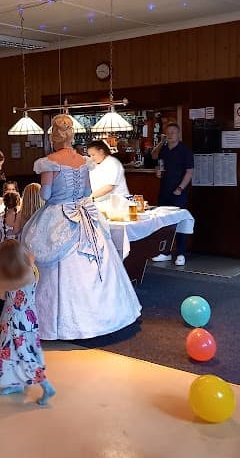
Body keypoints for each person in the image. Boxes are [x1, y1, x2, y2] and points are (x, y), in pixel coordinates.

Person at [22, 114, 141, 340]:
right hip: (83, 212)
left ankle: (51, 323)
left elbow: (46, 195)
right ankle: (104, 317)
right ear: (71, 135)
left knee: (46, 259)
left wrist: (51, 191)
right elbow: (87, 193)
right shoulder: (83, 161)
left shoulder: (50, 162)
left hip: (57, 212)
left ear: (53, 136)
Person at [0, 239, 55, 405]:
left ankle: (46, 386)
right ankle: (16, 383)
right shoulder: (30, 269)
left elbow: (2, 296)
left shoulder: (12, 279)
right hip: (28, 318)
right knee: (16, 353)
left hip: (16, 323)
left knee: (25, 355)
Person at [151, 122, 194, 266]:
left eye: (173, 132)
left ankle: (181, 253)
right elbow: (154, 156)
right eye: (168, 133)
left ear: (179, 134)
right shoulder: (163, 149)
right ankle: (165, 252)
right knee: (164, 222)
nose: (170, 135)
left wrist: (181, 188)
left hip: (178, 191)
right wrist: (158, 171)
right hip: (164, 190)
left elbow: (189, 171)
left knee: (179, 222)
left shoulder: (185, 150)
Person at [86, 139, 130, 210]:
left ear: (101, 151)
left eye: (93, 155)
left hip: (118, 205)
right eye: (90, 155)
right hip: (102, 204)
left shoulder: (112, 163)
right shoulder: (95, 164)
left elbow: (109, 187)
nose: (91, 158)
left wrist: (90, 198)